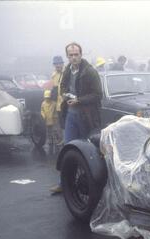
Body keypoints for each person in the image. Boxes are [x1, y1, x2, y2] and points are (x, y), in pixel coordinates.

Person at [50, 42, 103, 194]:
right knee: (68, 149)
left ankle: (91, 185)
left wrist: (79, 100)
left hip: (87, 117)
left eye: (76, 54)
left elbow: (98, 95)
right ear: (67, 56)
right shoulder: (67, 70)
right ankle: (64, 183)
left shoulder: (90, 72)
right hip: (71, 114)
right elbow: (63, 87)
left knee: (89, 152)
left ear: (81, 54)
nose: (74, 57)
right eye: (71, 55)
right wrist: (65, 94)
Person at [50, 55, 65, 145]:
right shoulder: (54, 75)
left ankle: (68, 138)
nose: (58, 66)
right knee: (61, 122)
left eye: (59, 63)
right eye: (56, 64)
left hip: (67, 102)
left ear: (62, 64)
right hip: (59, 104)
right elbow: (55, 89)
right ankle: (64, 139)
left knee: (68, 121)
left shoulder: (68, 72)